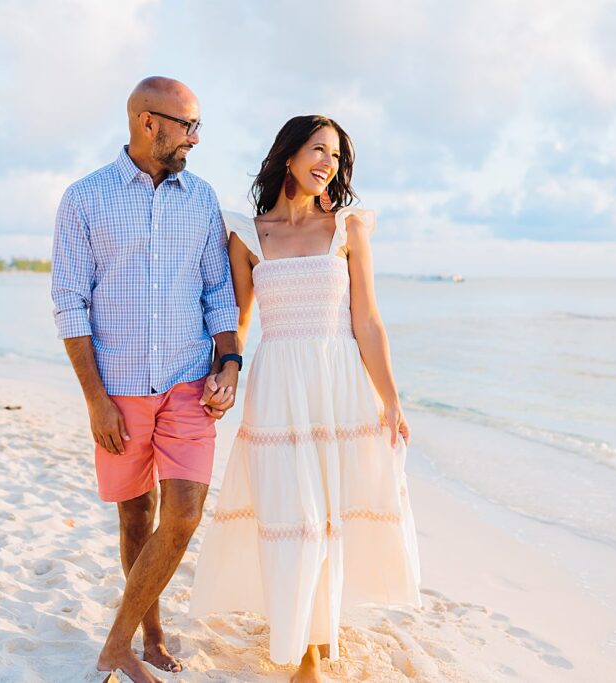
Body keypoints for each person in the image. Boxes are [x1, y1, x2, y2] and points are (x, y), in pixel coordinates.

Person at [189, 115, 421, 682]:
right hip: (278, 390)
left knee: (329, 521)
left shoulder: (347, 228)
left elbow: (366, 319)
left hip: (339, 385)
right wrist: (228, 374)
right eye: (318, 150)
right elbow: (237, 325)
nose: (328, 164)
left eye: (337, 157)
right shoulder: (248, 234)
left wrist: (390, 398)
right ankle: (301, 645)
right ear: (288, 155)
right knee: (294, 519)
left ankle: (313, 648)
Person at [51, 76, 240, 683]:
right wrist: (95, 402)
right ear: (146, 122)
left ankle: (114, 645)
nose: (194, 138)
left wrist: (230, 362)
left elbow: (219, 291)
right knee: (136, 519)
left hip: (189, 382)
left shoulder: (202, 198)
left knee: (184, 513)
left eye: (197, 127)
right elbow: (70, 305)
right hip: (120, 389)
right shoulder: (84, 199)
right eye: (187, 126)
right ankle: (147, 635)